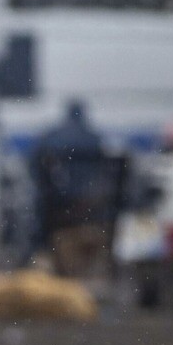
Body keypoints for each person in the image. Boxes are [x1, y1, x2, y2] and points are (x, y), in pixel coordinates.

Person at [26, 100, 120, 276]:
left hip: (58, 208)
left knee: (37, 208)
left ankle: (34, 253)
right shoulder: (96, 139)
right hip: (93, 209)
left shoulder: (51, 138)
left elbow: (35, 166)